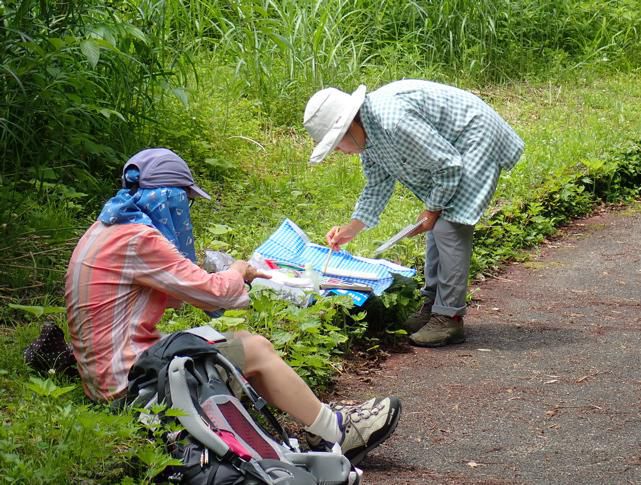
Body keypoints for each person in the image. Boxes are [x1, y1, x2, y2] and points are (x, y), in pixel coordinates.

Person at [64, 147, 400, 465]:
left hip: (105, 377)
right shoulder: (140, 239)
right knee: (252, 348)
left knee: (230, 343)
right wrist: (238, 270)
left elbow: (175, 290)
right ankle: (336, 431)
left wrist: (220, 277)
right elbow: (214, 293)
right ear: (170, 198)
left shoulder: (107, 228)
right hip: (131, 383)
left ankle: (320, 423)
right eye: (186, 202)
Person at [303, 80, 524, 347]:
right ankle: (433, 305)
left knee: (448, 227)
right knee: (437, 226)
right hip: (451, 151)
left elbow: (448, 165)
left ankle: (449, 318)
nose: (340, 152)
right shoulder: (369, 137)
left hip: (474, 137)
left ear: (350, 126)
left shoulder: (394, 122)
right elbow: (377, 186)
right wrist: (351, 229)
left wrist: (432, 210)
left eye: (337, 145)